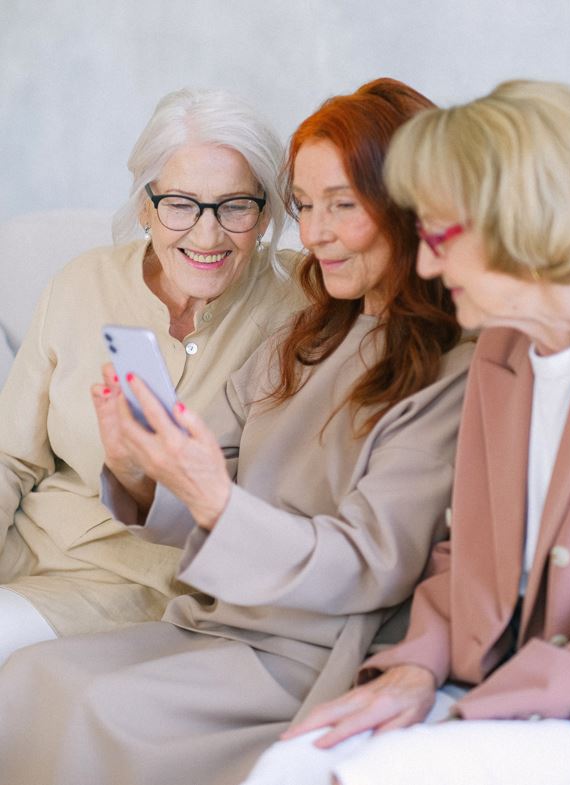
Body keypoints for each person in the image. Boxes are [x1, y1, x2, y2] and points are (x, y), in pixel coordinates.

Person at [0, 78, 473, 785]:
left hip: (308, 639)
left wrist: (212, 497)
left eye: (340, 205)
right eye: (306, 206)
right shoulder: (312, 329)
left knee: (96, 701)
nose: (313, 233)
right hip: (223, 613)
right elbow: (204, 461)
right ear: (146, 205)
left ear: (409, 204)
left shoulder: (446, 363)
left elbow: (372, 559)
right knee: (30, 676)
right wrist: (138, 463)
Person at [242, 79, 570, 785]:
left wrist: (484, 713)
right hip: (485, 682)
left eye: (437, 234)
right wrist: (412, 664)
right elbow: (460, 551)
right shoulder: (502, 354)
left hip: (565, 703)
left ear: (514, 216)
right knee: (289, 765)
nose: (425, 262)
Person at [0, 86, 307, 665]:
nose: (207, 235)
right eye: (180, 204)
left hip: (141, 590)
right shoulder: (81, 282)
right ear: (146, 206)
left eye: (235, 205)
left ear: (266, 213)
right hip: (25, 549)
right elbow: (10, 457)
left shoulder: (303, 306)